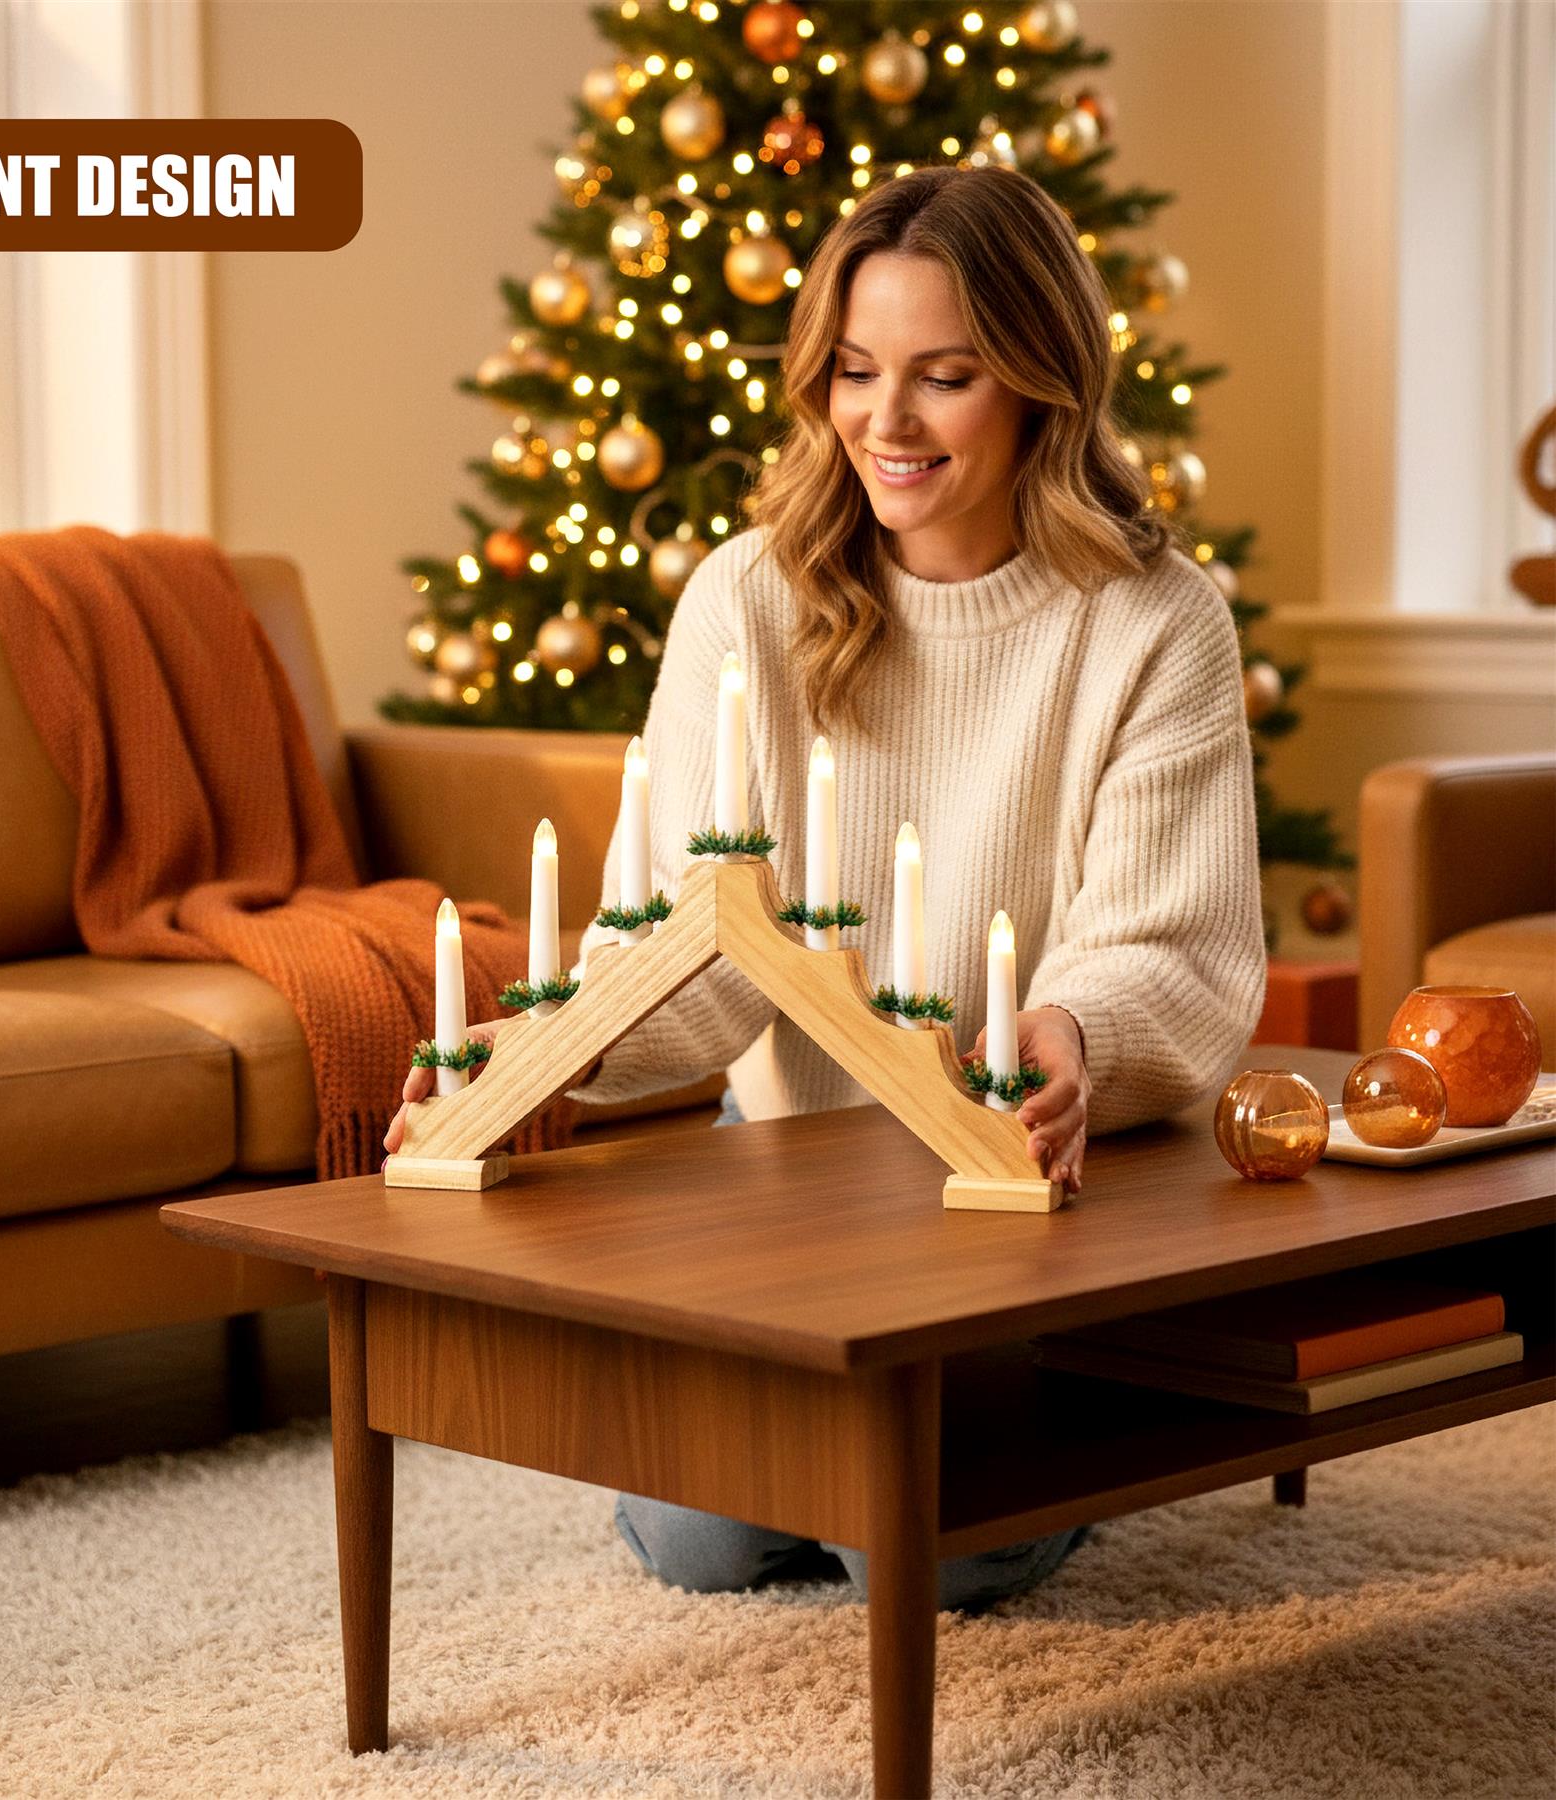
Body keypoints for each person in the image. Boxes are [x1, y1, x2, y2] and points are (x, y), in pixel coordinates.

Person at [386, 164, 1266, 1609]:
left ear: (1043, 381)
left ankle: (1068, 1437)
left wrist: (1073, 1036)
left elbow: (1170, 943)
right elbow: (686, 941)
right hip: (787, 1167)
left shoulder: (1155, 620)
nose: (886, 422)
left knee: (937, 1557)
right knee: (704, 1544)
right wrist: (531, 1060)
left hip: (1000, 1179)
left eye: (946, 377)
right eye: (856, 372)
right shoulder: (747, 596)